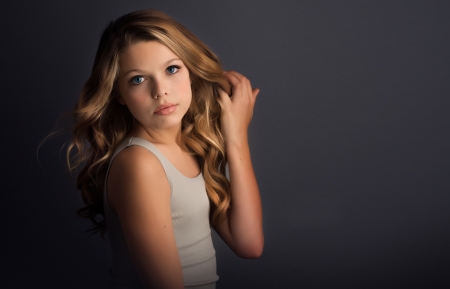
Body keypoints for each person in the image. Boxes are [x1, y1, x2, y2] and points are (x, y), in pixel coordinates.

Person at [67, 9, 263, 289]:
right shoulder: (140, 163)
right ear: (119, 95)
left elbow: (249, 244)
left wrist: (237, 136)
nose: (160, 91)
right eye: (138, 79)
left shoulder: (191, 147)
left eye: (172, 69)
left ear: (191, 72)